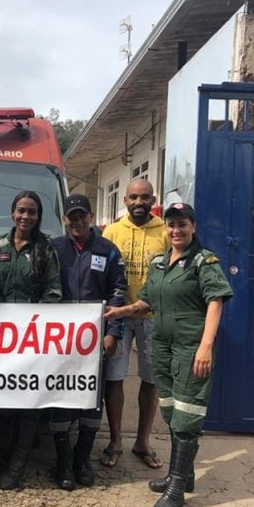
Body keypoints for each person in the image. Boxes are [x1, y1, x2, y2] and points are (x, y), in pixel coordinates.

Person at [104, 203, 233, 507]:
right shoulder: (160, 262)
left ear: (193, 227)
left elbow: (215, 302)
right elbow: (147, 301)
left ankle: (177, 487)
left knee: (187, 414)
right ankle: (183, 474)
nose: (176, 230)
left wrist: (206, 347)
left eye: (182, 225)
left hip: (191, 346)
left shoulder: (204, 262)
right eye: (171, 225)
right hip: (161, 344)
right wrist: (119, 312)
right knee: (171, 408)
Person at [51, 194, 127, 490]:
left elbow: (119, 291)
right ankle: (63, 462)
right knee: (60, 397)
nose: (77, 221)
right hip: (61, 340)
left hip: (96, 339)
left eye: (82, 215)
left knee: (91, 399)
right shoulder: (54, 248)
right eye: (72, 217)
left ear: (91, 216)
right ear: (64, 220)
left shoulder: (107, 250)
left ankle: (83, 460)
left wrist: (113, 331)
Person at [0, 190, 62, 490]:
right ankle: (5, 451)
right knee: (2, 395)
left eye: (32, 212)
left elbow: (54, 291)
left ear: (38, 216)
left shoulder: (46, 249)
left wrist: (32, 323)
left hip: (32, 336)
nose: (25, 217)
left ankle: (18, 463)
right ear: (12, 212)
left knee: (29, 399)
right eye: (21, 210)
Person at [101, 178, 168, 470]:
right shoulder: (112, 232)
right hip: (119, 317)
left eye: (145, 198)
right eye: (133, 197)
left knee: (150, 380)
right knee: (114, 377)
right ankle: (115, 440)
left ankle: (142, 441)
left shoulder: (166, 232)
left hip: (154, 318)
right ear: (125, 200)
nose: (139, 202)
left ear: (153, 200)